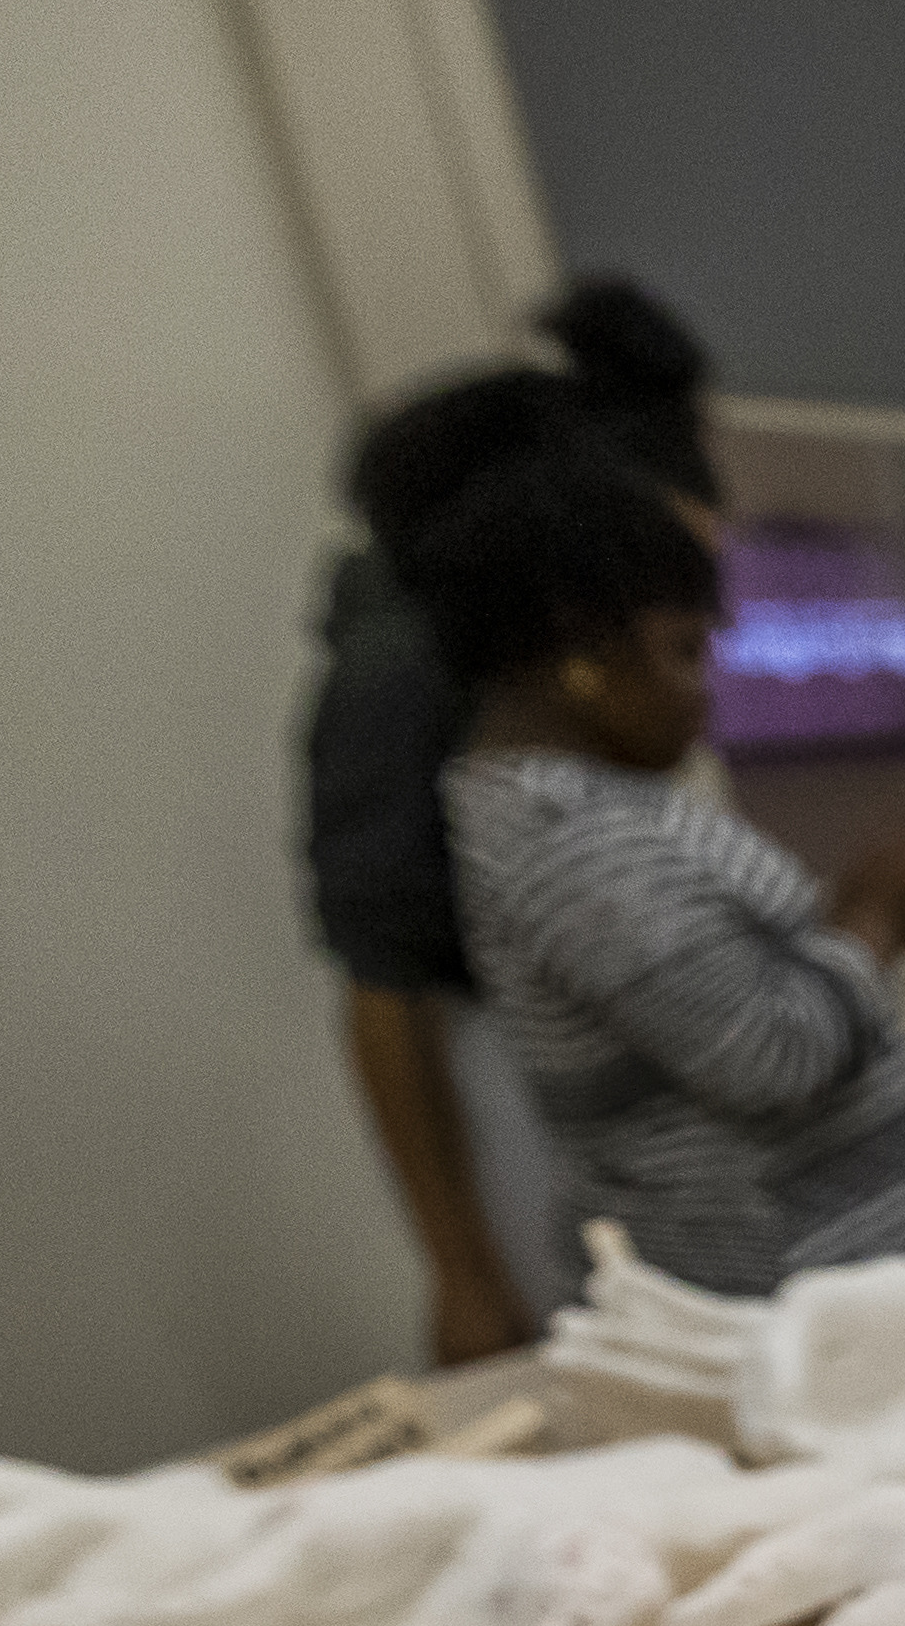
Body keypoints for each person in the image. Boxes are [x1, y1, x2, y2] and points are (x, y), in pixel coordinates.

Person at [422, 440, 905, 1297]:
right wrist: (878, 916)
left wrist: (859, 914)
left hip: (842, 1275)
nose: (708, 688)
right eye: (684, 651)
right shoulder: (572, 839)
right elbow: (769, 1056)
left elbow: (733, 1001)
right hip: (794, 1297)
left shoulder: (592, 812)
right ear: (579, 651)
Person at [297, 279, 717, 1360]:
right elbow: (383, 981)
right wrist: (462, 1269)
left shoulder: (577, 687)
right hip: (512, 1079)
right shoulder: (413, 667)